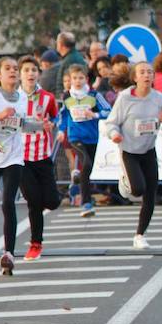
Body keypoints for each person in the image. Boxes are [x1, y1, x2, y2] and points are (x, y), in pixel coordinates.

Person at [104, 61, 162, 249]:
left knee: (150, 193)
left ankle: (139, 235)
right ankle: (125, 181)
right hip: (129, 150)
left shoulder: (159, 99)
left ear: (153, 77)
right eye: (142, 72)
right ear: (135, 78)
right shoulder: (124, 98)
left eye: (150, 72)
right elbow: (111, 123)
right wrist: (115, 134)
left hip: (148, 150)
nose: (146, 76)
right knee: (137, 189)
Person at [17, 56, 61, 261]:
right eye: (26, 70)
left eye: (34, 70)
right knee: (34, 201)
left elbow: (55, 116)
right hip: (21, 157)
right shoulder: (13, 98)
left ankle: (46, 199)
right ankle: (36, 244)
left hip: (43, 155)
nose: (31, 73)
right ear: (20, 74)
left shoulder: (47, 97)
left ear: (39, 73)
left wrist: (52, 124)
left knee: (52, 202)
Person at [0, 57, 28, 275]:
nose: (13, 71)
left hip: (13, 157)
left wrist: (42, 126)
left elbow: (24, 124)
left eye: (15, 68)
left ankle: (9, 254)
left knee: (9, 203)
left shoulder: (22, 98)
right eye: (8, 68)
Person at [58, 64, 112, 217]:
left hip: (92, 137)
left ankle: (76, 182)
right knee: (86, 164)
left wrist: (94, 115)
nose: (77, 81)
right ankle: (86, 203)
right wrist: (62, 131)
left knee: (87, 171)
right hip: (75, 136)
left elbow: (109, 111)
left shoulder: (94, 95)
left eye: (81, 78)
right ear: (70, 79)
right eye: (74, 78)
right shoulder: (67, 96)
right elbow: (63, 115)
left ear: (86, 79)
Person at [52, 31, 87, 98]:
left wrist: (62, 97)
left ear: (60, 44)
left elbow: (67, 83)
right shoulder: (73, 57)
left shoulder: (70, 60)